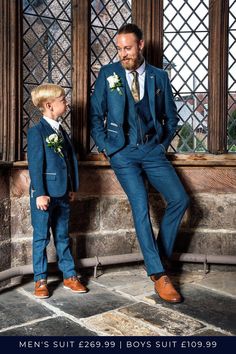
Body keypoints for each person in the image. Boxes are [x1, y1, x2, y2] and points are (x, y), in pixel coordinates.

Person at [90, 24, 189, 303]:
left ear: (141, 45)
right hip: (122, 152)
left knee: (180, 199)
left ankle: (157, 256)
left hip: (152, 150)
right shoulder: (108, 74)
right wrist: (108, 148)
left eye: (128, 48)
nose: (123, 54)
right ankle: (159, 275)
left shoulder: (160, 76)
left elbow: (172, 118)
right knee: (140, 204)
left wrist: (160, 144)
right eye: (119, 48)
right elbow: (96, 116)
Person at [27, 83, 87, 298]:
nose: (67, 102)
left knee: (62, 236)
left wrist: (72, 187)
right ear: (49, 105)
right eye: (63, 100)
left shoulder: (61, 131)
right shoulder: (37, 132)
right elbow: (35, 166)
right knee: (41, 237)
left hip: (62, 193)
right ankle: (40, 280)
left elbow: (70, 160)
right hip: (44, 195)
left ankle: (70, 276)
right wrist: (40, 193)